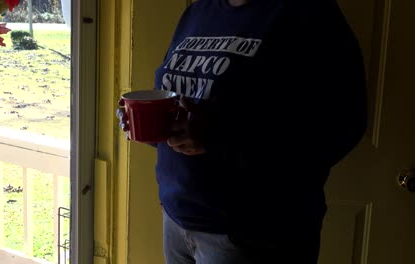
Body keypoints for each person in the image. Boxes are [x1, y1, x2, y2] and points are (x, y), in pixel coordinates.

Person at [117, 0, 367, 263]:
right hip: (178, 220)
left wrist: (220, 138)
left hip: (253, 232)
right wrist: (148, 124)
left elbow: (341, 126)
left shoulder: (309, 13)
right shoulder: (199, 11)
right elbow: (187, 106)